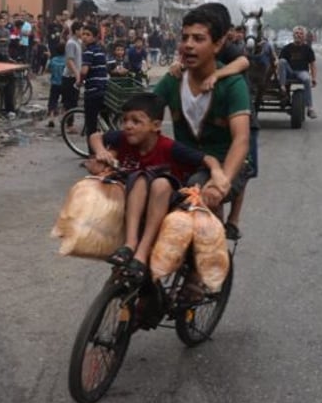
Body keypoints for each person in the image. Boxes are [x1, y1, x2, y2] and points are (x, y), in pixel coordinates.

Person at [88, 93, 228, 282]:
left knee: (159, 182)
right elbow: (96, 136)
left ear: (156, 126)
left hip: (165, 208)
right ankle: (130, 245)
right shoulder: (123, 139)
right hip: (135, 210)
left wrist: (217, 173)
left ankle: (141, 254)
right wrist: (101, 151)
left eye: (136, 121)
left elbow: (208, 159)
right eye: (125, 120)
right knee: (139, 179)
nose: (128, 126)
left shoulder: (169, 147)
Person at [153, 7, 250, 214]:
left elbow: (241, 139)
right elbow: (143, 113)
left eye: (198, 39)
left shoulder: (233, 84)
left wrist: (222, 181)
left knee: (198, 192)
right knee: (144, 186)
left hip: (224, 166)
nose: (188, 45)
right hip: (183, 164)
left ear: (217, 44)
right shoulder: (173, 80)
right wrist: (107, 148)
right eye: (185, 38)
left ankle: (219, 239)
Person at [277, 25, 318, 119]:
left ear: (304, 36)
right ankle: (282, 88)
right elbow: (279, 64)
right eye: (296, 33)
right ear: (293, 35)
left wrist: (314, 78)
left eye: (301, 34)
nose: (298, 35)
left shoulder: (308, 49)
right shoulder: (287, 48)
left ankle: (310, 108)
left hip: (301, 72)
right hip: (289, 71)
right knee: (282, 61)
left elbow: (313, 65)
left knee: (307, 79)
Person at [80, 24, 109, 148]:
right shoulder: (100, 50)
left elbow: (84, 71)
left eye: (88, 35)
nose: (85, 37)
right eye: (84, 34)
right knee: (105, 122)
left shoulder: (88, 51)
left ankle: (92, 155)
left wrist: (79, 81)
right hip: (104, 89)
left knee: (91, 125)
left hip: (93, 91)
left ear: (95, 37)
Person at [62, 21, 83, 127]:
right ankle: (69, 125)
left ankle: (69, 123)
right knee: (70, 102)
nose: (83, 32)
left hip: (75, 75)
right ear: (76, 30)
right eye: (82, 30)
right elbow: (69, 61)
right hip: (70, 76)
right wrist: (77, 74)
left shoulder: (78, 42)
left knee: (74, 101)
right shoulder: (71, 43)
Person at [45, 41, 67, 128]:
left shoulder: (53, 60)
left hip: (54, 83)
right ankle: (64, 119)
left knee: (52, 101)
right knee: (65, 102)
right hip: (65, 83)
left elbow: (47, 69)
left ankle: (51, 119)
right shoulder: (67, 61)